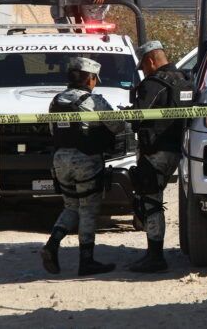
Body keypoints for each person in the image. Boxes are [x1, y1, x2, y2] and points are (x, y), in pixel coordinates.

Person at [40, 57, 125, 276]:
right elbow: (117, 126)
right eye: (95, 79)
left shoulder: (56, 101)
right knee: (88, 209)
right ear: (90, 79)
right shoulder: (94, 101)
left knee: (70, 206)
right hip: (86, 160)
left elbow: (52, 131)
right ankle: (86, 261)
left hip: (60, 161)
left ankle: (52, 243)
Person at [128, 41, 192, 273]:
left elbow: (139, 116)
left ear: (150, 62)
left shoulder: (153, 84)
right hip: (179, 150)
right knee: (154, 199)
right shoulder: (187, 80)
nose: (143, 72)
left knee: (151, 202)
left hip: (155, 150)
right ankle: (154, 254)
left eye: (143, 67)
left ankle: (155, 256)